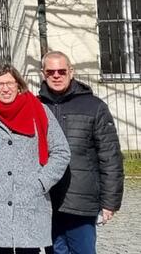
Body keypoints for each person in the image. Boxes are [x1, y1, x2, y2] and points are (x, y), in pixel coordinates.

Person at [0, 65, 71, 254]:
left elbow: (61, 151)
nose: (5, 88)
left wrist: (42, 182)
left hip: (31, 199)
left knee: (30, 251)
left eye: (9, 83)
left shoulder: (38, 110)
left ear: (19, 85)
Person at [37, 51, 124, 254]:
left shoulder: (94, 107)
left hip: (82, 201)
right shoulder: (35, 106)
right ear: (43, 73)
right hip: (47, 200)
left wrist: (110, 202)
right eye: (51, 72)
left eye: (61, 71)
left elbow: (110, 158)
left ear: (71, 71)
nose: (56, 75)